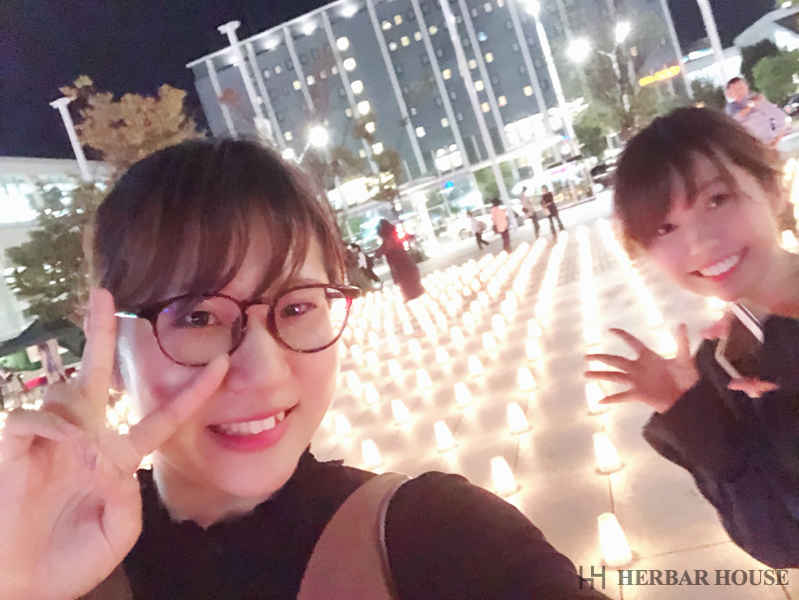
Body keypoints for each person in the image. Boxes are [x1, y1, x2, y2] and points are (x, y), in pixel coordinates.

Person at [0, 140, 609, 599]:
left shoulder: (440, 539)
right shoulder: (52, 551)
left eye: (295, 307)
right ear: (107, 346)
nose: (263, 370)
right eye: (198, 317)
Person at [584, 107, 799, 568]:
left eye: (717, 200)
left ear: (772, 189)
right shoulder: (722, 364)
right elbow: (781, 541)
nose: (700, 243)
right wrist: (692, 412)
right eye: (665, 228)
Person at [725, 77, 790, 149]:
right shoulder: (730, 108)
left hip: (768, 143)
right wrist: (751, 105)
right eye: (735, 89)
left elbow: (781, 118)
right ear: (729, 93)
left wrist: (777, 140)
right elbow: (736, 119)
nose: (739, 91)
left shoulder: (759, 101)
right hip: (749, 148)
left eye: (741, 87)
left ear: (746, 87)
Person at [375, 219, 426, 303]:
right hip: (406, 266)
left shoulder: (388, 241)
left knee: (410, 291)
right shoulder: (393, 238)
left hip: (402, 269)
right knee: (414, 290)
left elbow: (378, 254)